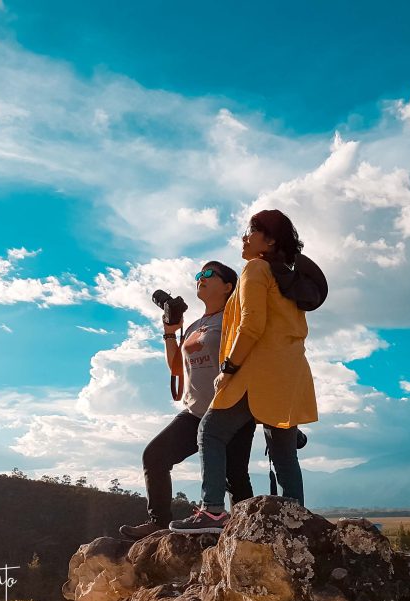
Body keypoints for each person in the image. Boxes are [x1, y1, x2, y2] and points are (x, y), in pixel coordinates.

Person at [170, 209, 318, 534]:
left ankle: (211, 512)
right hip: (289, 375)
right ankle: (296, 521)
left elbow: (251, 325)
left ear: (269, 240)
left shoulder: (255, 269)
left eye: (251, 231)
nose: (244, 237)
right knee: (283, 451)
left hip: (257, 373)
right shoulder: (288, 279)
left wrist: (229, 367)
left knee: (210, 432)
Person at [118, 261, 255, 541]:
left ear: (228, 286)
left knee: (235, 476)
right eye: (198, 275)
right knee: (154, 456)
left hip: (230, 407)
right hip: (195, 411)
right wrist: (170, 330)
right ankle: (158, 522)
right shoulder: (195, 325)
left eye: (208, 274)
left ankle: (248, 531)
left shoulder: (231, 320)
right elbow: (176, 368)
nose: (200, 279)